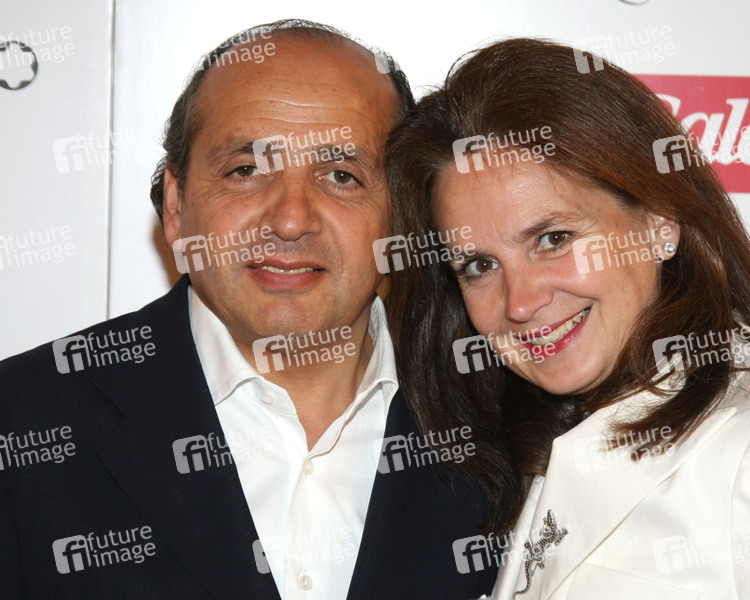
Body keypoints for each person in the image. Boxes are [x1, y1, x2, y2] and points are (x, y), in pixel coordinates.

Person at [0, 20, 501, 599]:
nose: (290, 220)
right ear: (176, 207)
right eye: (246, 171)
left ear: (404, 215)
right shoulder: (22, 422)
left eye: (342, 176)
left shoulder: (505, 423)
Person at [385, 38, 750, 599]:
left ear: (659, 220)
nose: (520, 302)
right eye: (479, 265)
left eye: (553, 239)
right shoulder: (534, 457)